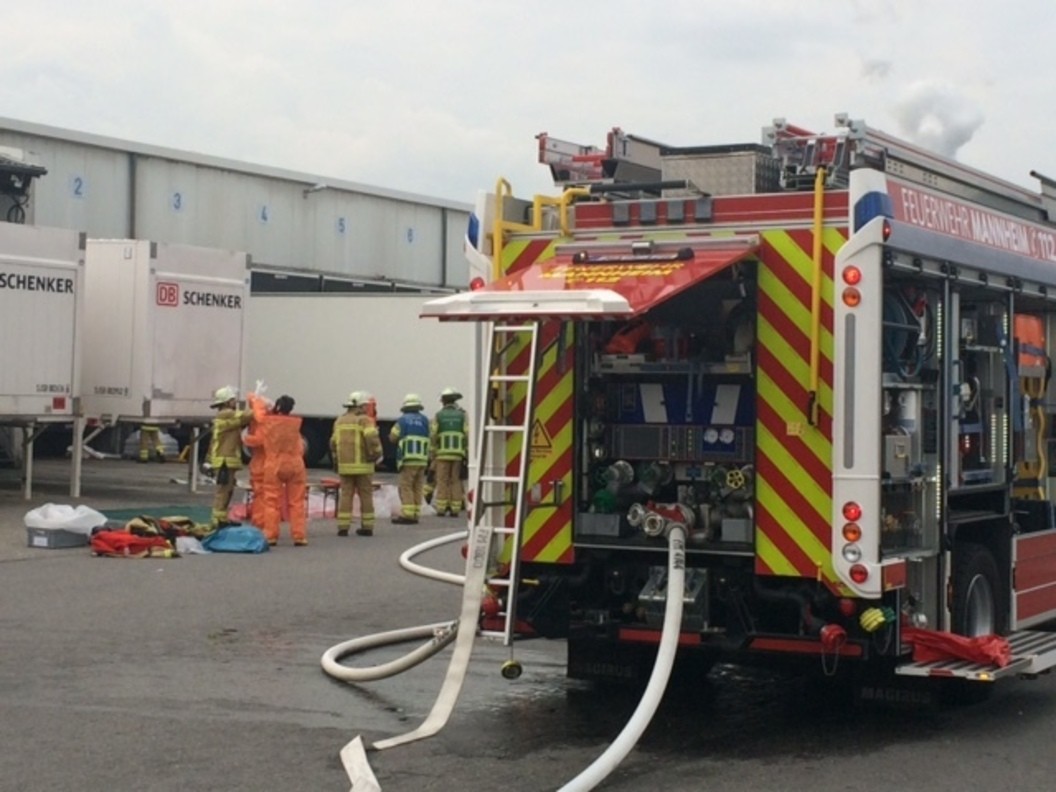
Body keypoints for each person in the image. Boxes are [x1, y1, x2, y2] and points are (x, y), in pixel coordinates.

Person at [248, 393, 308, 546]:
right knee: (297, 502)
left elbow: (257, 440)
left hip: (274, 464)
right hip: (296, 464)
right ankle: (299, 536)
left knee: (271, 501)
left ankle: (271, 535)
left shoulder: (269, 423)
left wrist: (245, 438)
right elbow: (300, 446)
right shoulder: (295, 424)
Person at [330, 391, 383, 536]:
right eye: (365, 405)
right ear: (360, 406)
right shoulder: (365, 420)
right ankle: (367, 526)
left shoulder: (339, 421)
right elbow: (372, 439)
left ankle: (343, 527)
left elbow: (333, 443)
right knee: (365, 495)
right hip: (364, 466)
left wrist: (336, 462)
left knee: (346, 495)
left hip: (345, 467)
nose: (366, 408)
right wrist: (377, 455)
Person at [208, 385, 252, 529]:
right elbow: (246, 416)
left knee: (228, 489)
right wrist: (257, 402)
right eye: (233, 400)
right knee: (223, 490)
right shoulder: (226, 413)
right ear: (227, 402)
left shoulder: (225, 417)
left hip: (225, 459)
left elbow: (240, 421)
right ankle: (217, 520)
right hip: (224, 460)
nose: (235, 402)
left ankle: (221, 518)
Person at [389, 394, 431, 524]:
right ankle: (416, 513)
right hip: (422, 459)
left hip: (408, 459)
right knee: (417, 486)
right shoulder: (425, 420)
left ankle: (407, 514)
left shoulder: (402, 420)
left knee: (406, 486)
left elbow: (393, 437)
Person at [431, 387, 469, 517]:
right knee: (455, 480)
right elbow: (467, 434)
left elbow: (433, 434)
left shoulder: (438, 415)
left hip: (442, 454)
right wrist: (466, 452)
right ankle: (455, 508)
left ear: (443, 401)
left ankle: (441, 508)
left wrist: (433, 452)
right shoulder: (462, 415)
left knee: (442, 480)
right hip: (458, 455)